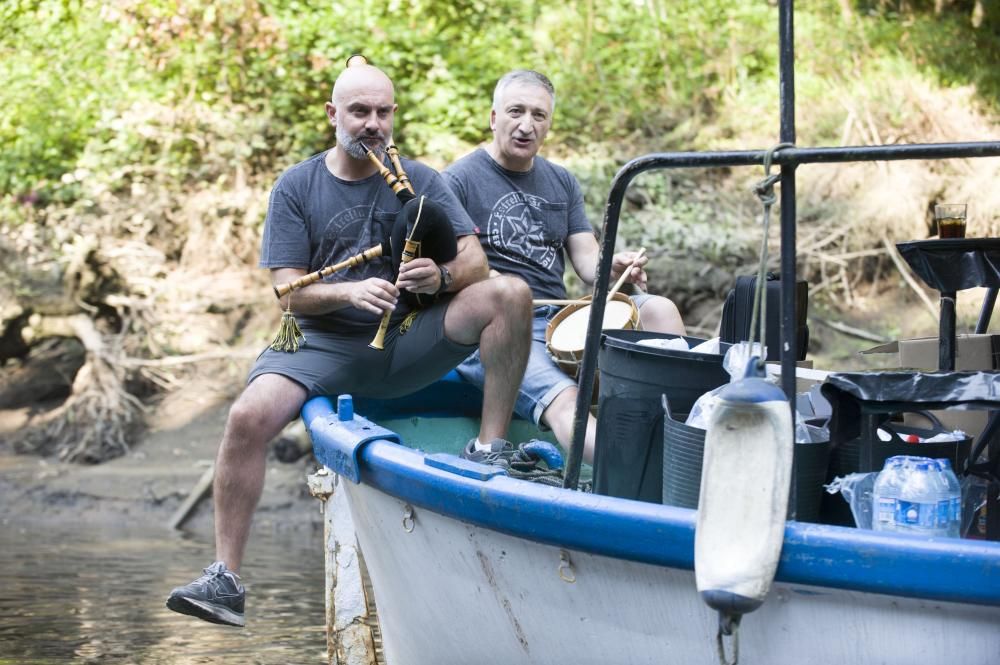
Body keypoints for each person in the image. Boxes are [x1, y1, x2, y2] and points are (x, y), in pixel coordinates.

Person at [165, 59, 533, 628]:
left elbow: (476, 262)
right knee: (245, 417)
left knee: (509, 292)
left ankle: (489, 450)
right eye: (360, 111)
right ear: (333, 115)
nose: (373, 124)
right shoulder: (297, 185)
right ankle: (225, 579)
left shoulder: (423, 180)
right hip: (322, 345)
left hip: (411, 339)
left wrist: (441, 279)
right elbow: (287, 293)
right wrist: (347, 294)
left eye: (383, 112)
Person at [443, 69, 686, 464]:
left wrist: (614, 266)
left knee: (658, 309)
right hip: (502, 329)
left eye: (538, 116)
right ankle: (625, 474)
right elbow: (451, 270)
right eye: (515, 112)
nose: (526, 125)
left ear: (549, 124)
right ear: (492, 118)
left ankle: (682, 439)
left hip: (560, 317)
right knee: (567, 401)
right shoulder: (458, 180)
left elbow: (588, 261)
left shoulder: (562, 182)